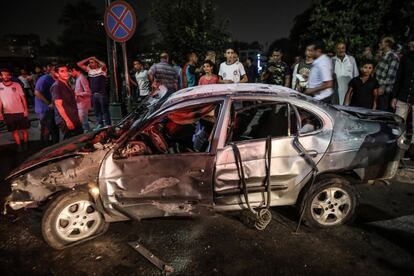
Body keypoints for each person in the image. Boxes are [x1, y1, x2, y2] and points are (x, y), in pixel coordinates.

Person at [391, 35, 414, 155]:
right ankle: (398, 149)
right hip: (403, 95)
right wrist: (394, 96)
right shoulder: (405, 58)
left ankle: (412, 150)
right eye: (411, 42)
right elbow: (398, 77)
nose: (412, 44)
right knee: (398, 123)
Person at [0, 68, 30, 152]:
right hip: (8, 113)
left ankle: (25, 144)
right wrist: (0, 113)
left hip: (20, 111)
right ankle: (19, 146)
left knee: (24, 130)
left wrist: (26, 110)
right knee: (14, 131)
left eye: (7, 74)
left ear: (10, 75)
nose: (5, 76)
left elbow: (23, 98)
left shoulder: (16, 85)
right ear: (1, 76)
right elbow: (0, 101)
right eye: (3, 74)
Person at [77, 56, 111, 128]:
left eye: (92, 62)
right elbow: (79, 64)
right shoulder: (90, 70)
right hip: (94, 94)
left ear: (96, 63)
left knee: (104, 110)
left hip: (102, 94)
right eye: (89, 63)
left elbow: (103, 64)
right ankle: (100, 124)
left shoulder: (102, 70)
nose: (90, 64)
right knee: (97, 111)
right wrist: (88, 58)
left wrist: (96, 59)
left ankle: (108, 125)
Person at [50, 65, 83, 139]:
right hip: (66, 120)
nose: (66, 73)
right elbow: (59, 105)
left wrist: (77, 117)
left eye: (66, 71)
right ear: (56, 74)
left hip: (73, 117)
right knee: (70, 143)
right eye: (62, 71)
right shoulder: (57, 86)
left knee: (79, 139)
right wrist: (67, 121)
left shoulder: (67, 84)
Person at [34, 64, 59, 145]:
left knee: (55, 129)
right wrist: (48, 103)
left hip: (53, 108)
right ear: (52, 71)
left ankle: (55, 147)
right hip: (44, 109)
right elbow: (37, 92)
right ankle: (45, 149)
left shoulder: (57, 79)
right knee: (46, 130)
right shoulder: (44, 79)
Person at [375, 36, 400, 111]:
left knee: (382, 113)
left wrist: (382, 87)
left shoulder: (393, 57)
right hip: (378, 88)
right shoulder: (384, 55)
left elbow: (391, 76)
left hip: (384, 91)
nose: (379, 44)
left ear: (387, 44)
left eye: (381, 43)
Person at [71, 64, 92, 132]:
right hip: (79, 104)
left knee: (84, 124)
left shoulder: (82, 78)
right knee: (83, 123)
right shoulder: (78, 78)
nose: (70, 74)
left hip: (83, 104)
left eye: (71, 72)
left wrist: (77, 94)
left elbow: (88, 92)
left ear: (74, 70)